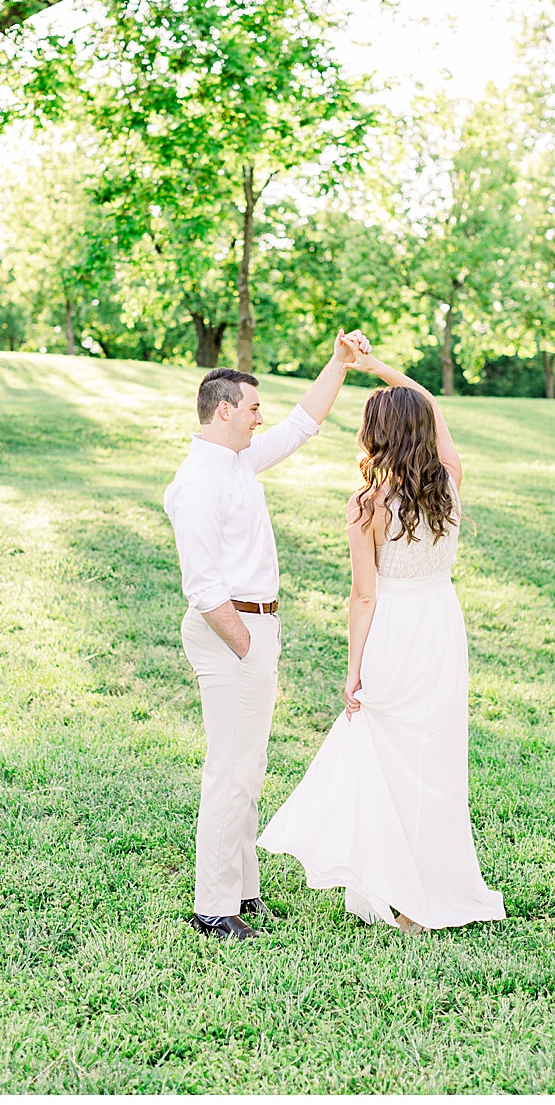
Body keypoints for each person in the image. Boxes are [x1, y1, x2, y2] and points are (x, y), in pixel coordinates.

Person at [258, 338, 504, 932]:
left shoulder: (367, 504)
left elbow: (364, 596)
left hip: (394, 629)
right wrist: (377, 369)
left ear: (375, 435)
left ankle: (398, 893)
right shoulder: (448, 482)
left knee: (384, 762)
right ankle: (420, 897)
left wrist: (353, 672)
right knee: (436, 766)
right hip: (441, 628)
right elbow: (433, 406)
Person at [163, 330, 361, 940]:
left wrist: (338, 365)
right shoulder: (197, 482)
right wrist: (246, 644)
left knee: (248, 767)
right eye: (252, 407)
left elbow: (304, 423)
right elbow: (202, 586)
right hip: (233, 632)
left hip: (256, 627)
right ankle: (213, 907)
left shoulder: (239, 462)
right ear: (224, 410)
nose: (260, 417)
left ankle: (243, 893)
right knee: (230, 769)